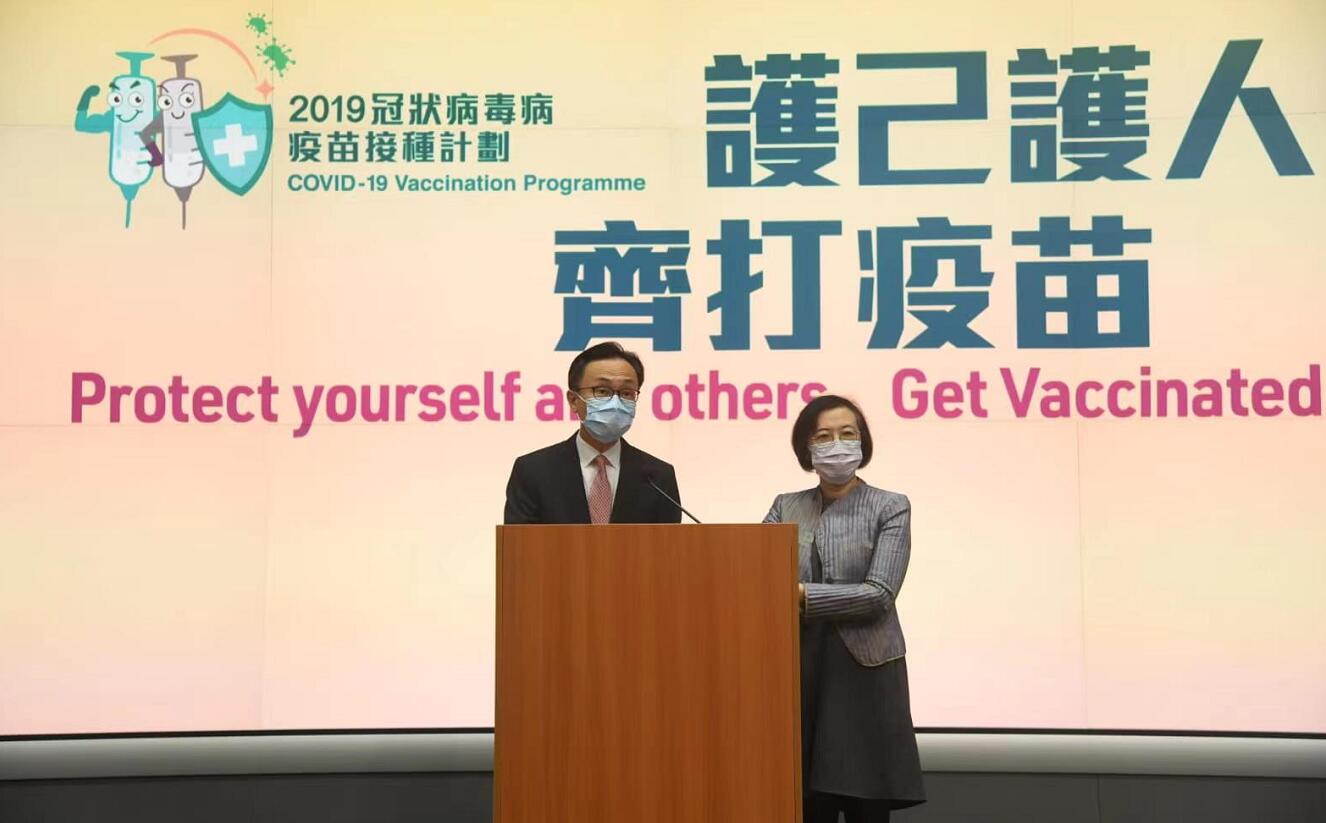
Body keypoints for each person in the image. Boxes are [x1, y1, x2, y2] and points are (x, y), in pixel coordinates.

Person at [764, 395, 925, 822]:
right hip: (799, 668)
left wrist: (801, 595)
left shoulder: (890, 505)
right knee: (805, 802)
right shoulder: (786, 505)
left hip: (864, 670)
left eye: (847, 434)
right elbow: (760, 577)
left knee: (864, 802)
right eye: (823, 436)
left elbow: (879, 594)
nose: (837, 444)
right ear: (806, 448)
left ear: (863, 442)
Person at [503, 342, 682, 525]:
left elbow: (671, 542)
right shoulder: (533, 472)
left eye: (627, 393)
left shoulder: (658, 478)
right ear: (573, 400)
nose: (615, 402)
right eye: (602, 391)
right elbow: (519, 542)